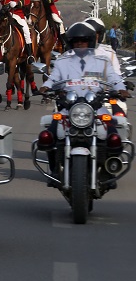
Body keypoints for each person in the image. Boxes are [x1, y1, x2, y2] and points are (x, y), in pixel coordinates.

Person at [39, 22, 128, 182]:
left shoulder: (102, 61)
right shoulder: (63, 61)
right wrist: (46, 87)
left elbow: (114, 78)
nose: (80, 44)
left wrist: (121, 89)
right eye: (76, 41)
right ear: (71, 43)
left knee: (113, 136)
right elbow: (54, 78)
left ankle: (109, 168)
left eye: (84, 41)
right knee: (48, 135)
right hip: (69, 108)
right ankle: (54, 170)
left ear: (91, 42)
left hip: (96, 107)